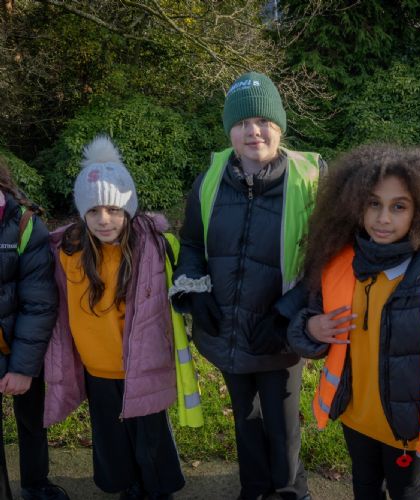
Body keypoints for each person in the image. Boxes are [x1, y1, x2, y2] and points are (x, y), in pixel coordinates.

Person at [287, 144, 420, 500]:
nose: (383, 218)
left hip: (406, 432)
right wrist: (310, 328)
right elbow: (307, 323)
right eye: (373, 204)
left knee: (406, 492)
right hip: (354, 418)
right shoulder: (337, 266)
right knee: (364, 487)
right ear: (355, 205)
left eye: (399, 206)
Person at [170, 71, 325, 500]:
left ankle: (290, 491)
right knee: (246, 418)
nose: (253, 131)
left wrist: (286, 313)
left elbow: (326, 261)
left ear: (279, 127)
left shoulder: (310, 181)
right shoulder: (210, 179)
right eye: (241, 123)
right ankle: (253, 489)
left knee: (282, 424)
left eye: (262, 121)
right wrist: (195, 292)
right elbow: (191, 243)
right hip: (227, 331)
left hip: (279, 334)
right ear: (230, 132)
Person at [43, 136, 185, 500]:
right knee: (112, 440)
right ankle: (128, 487)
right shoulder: (68, 253)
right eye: (93, 211)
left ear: (128, 209)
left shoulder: (149, 248)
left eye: (113, 209)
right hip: (97, 369)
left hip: (141, 366)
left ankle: (157, 490)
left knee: (150, 439)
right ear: (82, 214)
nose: (104, 220)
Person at [0, 157, 68, 500]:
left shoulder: (25, 223)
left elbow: (39, 303)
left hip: (20, 346)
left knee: (31, 421)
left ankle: (36, 483)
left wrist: (23, 368)